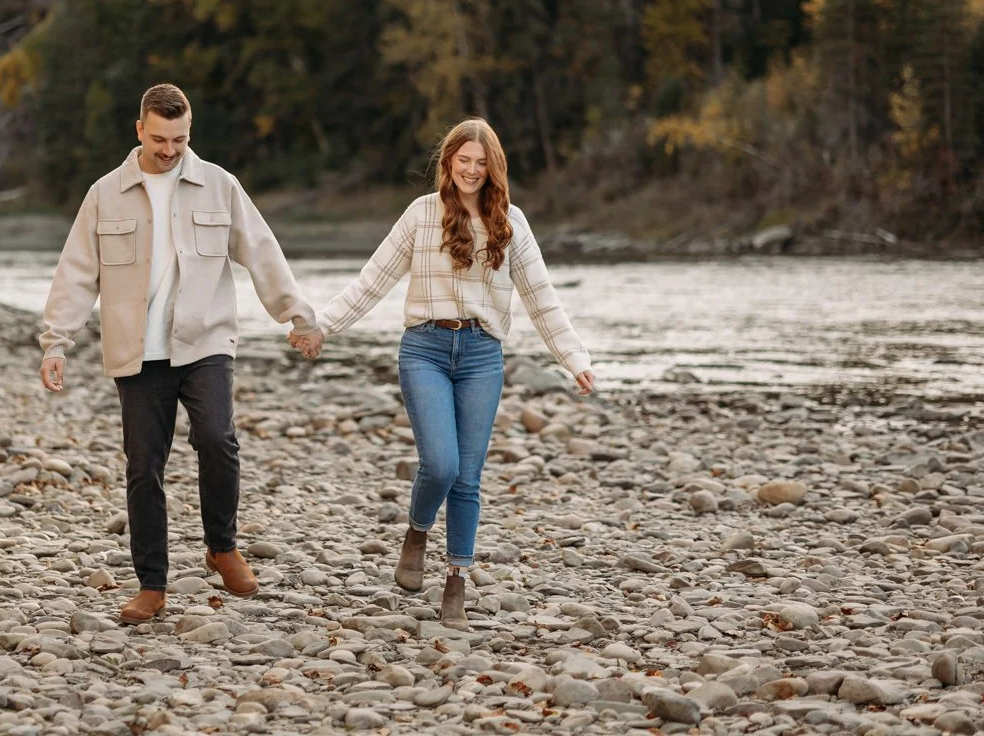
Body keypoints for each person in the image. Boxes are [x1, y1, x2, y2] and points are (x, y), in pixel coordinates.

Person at [290, 118, 594, 628]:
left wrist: (575, 359)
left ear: (492, 168)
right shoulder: (421, 215)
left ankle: (456, 582)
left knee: (469, 478)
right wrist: (323, 327)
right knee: (441, 464)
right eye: (463, 161)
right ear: (448, 162)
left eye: (481, 163)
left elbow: (543, 301)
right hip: (425, 350)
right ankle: (416, 531)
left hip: (481, 356)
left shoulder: (509, 223)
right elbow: (373, 280)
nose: (471, 171)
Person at [39, 84, 318, 624]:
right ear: (139, 129)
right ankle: (152, 584)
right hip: (137, 350)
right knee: (144, 466)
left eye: (181, 139)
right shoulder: (105, 194)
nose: (171, 150)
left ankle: (221, 545)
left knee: (218, 438)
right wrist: (56, 342)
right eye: (161, 139)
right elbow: (76, 272)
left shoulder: (219, 185)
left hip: (205, 339)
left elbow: (261, 250)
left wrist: (297, 316)